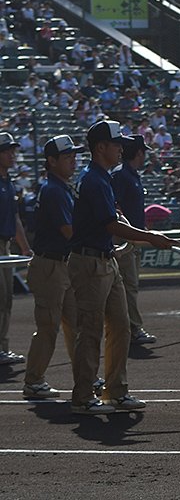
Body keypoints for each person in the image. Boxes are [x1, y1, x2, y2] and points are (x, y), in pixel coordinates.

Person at [69, 120, 176, 415]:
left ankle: (115, 390)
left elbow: (109, 218)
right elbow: (111, 223)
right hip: (90, 261)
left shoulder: (100, 177)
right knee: (91, 330)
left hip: (104, 258)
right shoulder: (93, 178)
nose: (121, 149)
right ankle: (83, 396)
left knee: (121, 326)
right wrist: (150, 237)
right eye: (116, 144)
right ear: (100, 147)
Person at [22, 135, 81, 398]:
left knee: (77, 324)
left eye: (73, 155)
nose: (73, 160)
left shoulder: (61, 188)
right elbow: (69, 231)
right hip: (50, 266)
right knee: (49, 326)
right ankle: (34, 380)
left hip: (61, 265)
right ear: (51, 161)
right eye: (67, 156)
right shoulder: (54, 190)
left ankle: (86, 376)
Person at [112, 135, 156, 345]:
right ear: (139, 153)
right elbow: (115, 205)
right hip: (125, 237)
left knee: (131, 283)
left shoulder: (130, 175)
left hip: (133, 235)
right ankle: (133, 328)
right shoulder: (122, 175)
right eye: (143, 152)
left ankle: (128, 326)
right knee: (129, 284)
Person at [0, 132, 31, 365]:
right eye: (7, 151)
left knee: (7, 298)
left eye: (13, 150)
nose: (12, 155)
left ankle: (2, 347)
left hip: (6, 245)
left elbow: (16, 217)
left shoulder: (8, 182)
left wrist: (24, 246)